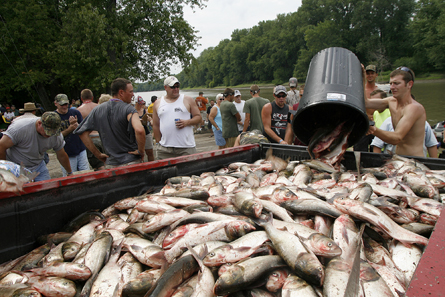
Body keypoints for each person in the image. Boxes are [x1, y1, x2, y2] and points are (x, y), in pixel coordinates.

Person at [74, 78, 146, 167]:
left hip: (111, 163)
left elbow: (82, 133)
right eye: (130, 92)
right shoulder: (128, 109)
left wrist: (98, 154)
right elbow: (139, 130)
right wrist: (141, 151)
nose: (133, 94)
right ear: (121, 93)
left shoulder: (97, 110)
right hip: (131, 161)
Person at [366, 66, 426, 157]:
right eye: (391, 84)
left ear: (409, 84)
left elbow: (396, 138)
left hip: (414, 161)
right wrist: (362, 76)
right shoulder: (391, 101)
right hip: (398, 158)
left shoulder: (414, 108)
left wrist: (373, 129)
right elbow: (366, 103)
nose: (392, 87)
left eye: (396, 83)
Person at [0, 111, 72, 181]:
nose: (49, 135)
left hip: (38, 166)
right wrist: (6, 170)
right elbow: (1, 146)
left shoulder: (56, 135)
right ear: (39, 123)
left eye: (52, 133)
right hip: (17, 166)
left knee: (46, 189)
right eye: (47, 132)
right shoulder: (19, 128)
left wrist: (69, 172)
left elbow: (61, 154)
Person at [153, 76, 201, 159]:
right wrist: (158, 142)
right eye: (172, 87)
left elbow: (198, 117)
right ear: (165, 88)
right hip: (164, 150)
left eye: (177, 86)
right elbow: (156, 125)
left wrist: (187, 122)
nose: (175, 89)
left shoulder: (188, 99)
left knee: (189, 171)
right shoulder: (158, 103)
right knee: (165, 172)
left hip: (186, 148)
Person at [54, 94, 90, 176]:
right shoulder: (54, 117)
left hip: (80, 149)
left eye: (66, 104)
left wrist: (77, 127)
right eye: (62, 104)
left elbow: (83, 130)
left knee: (86, 174)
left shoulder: (75, 112)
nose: (64, 106)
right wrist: (70, 129)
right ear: (56, 103)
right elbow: (55, 138)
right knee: (70, 176)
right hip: (66, 152)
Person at [371, 117, 438, 158]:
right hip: (393, 159)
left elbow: (432, 144)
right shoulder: (388, 122)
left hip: (417, 160)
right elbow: (377, 145)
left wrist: (434, 167)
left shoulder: (424, 123)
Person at [76, 89, 104, 171]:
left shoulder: (79, 110)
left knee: (97, 165)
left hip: (90, 139)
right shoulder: (99, 107)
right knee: (106, 162)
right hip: (102, 137)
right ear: (92, 97)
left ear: (81, 98)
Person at [135, 96, 154, 161]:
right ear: (136, 103)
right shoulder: (132, 111)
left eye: (142, 104)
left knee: (150, 151)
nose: (141, 105)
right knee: (139, 154)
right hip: (137, 133)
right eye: (139, 104)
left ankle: (152, 166)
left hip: (146, 131)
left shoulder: (144, 110)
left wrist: (148, 119)